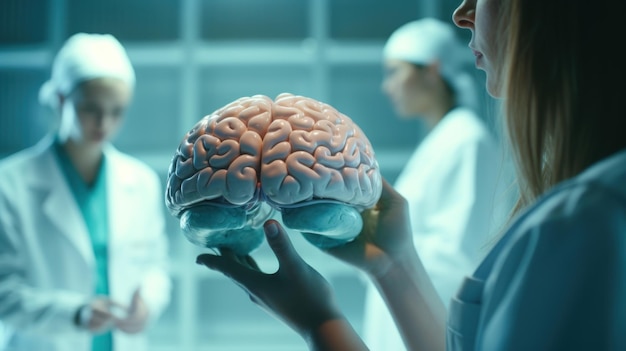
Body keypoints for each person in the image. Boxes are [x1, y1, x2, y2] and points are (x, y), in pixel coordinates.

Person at [196, 0, 626, 348]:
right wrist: (394, 266)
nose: (461, 11)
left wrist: (319, 323)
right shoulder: (584, 214)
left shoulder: (586, 226)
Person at [0, 33, 172, 351]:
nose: (104, 122)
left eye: (117, 111)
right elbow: (3, 292)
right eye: (90, 108)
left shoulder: (141, 180)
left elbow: (155, 267)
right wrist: (74, 313)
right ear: (62, 100)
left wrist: (147, 302)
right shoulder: (8, 184)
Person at [362, 18, 510, 351]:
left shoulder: (467, 142)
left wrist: (378, 242)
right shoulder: (444, 141)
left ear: (432, 69)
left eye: (394, 72)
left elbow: (457, 257)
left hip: (428, 325)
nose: (387, 87)